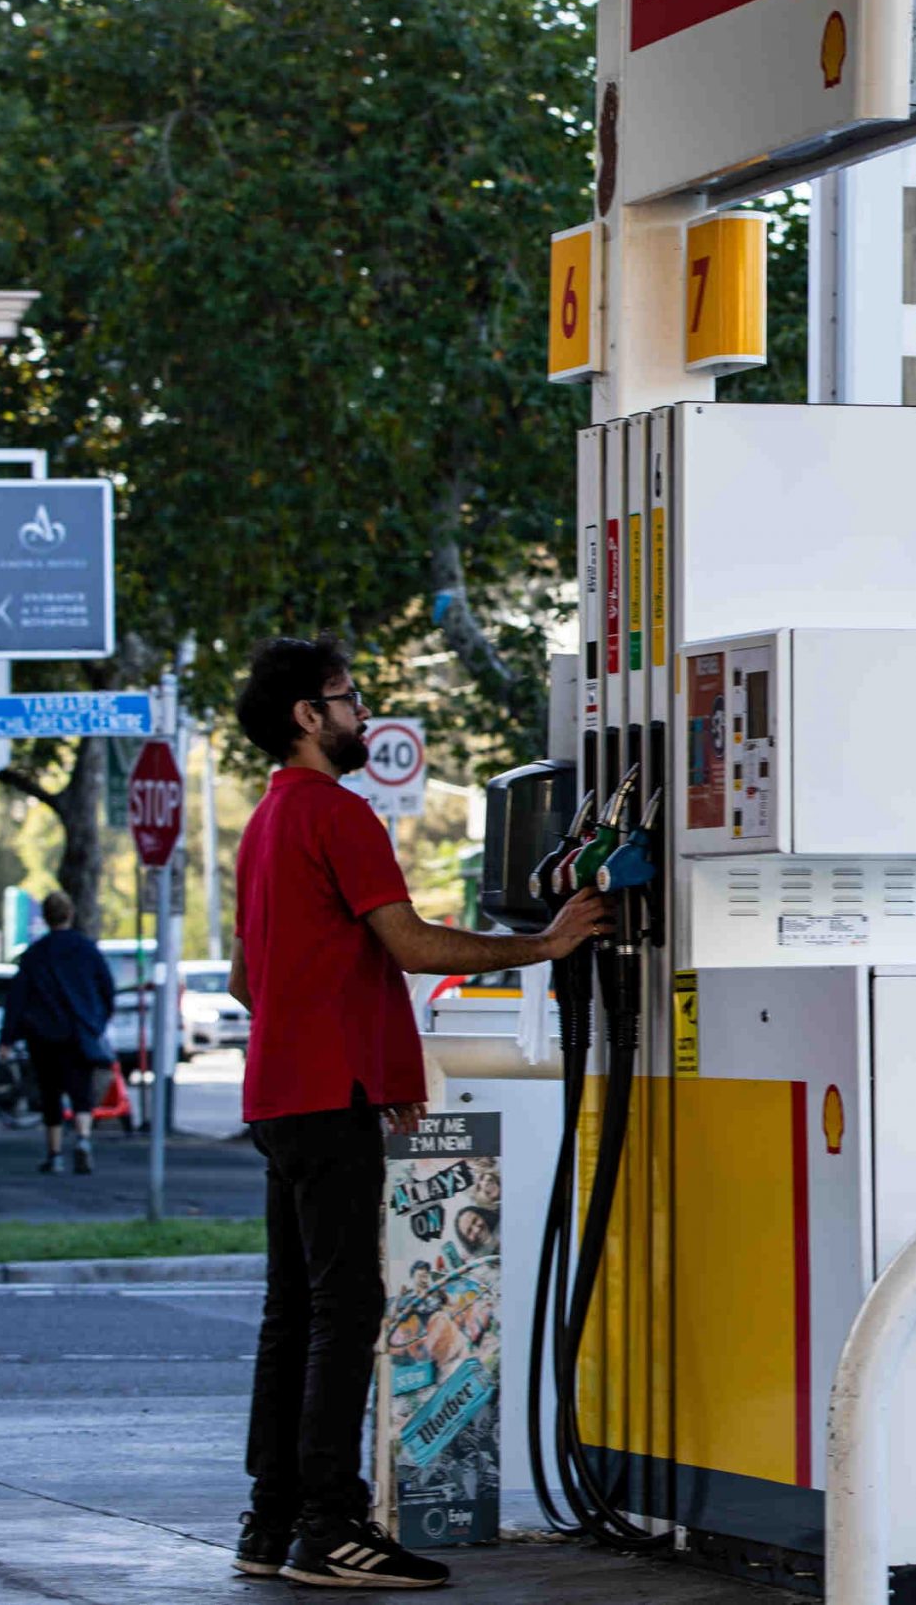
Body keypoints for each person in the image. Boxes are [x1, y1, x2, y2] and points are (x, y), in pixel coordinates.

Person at [227, 636, 609, 1588]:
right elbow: (410, 945)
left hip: (279, 1095)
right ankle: (330, 1525)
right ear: (308, 716)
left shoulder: (264, 822)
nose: (361, 713)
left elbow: (244, 980)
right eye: (346, 697)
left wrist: (328, 1022)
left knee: (292, 1311)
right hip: (335, 1098)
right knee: (346, 1309)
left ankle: (270, 1521)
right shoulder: (339, 814)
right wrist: (546, 944)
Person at [0, 892, 118, 1175]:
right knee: (81, 1091)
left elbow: (18, 998)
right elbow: (107, 989)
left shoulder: (34, 954)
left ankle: (54, 1154)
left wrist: (7, 1039)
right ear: (70, 914)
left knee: (49, 1092)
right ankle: (83, 1139)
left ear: (46, 917)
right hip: (79, 1032)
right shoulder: (87, 950)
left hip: (44, 1035)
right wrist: (96, 1022)